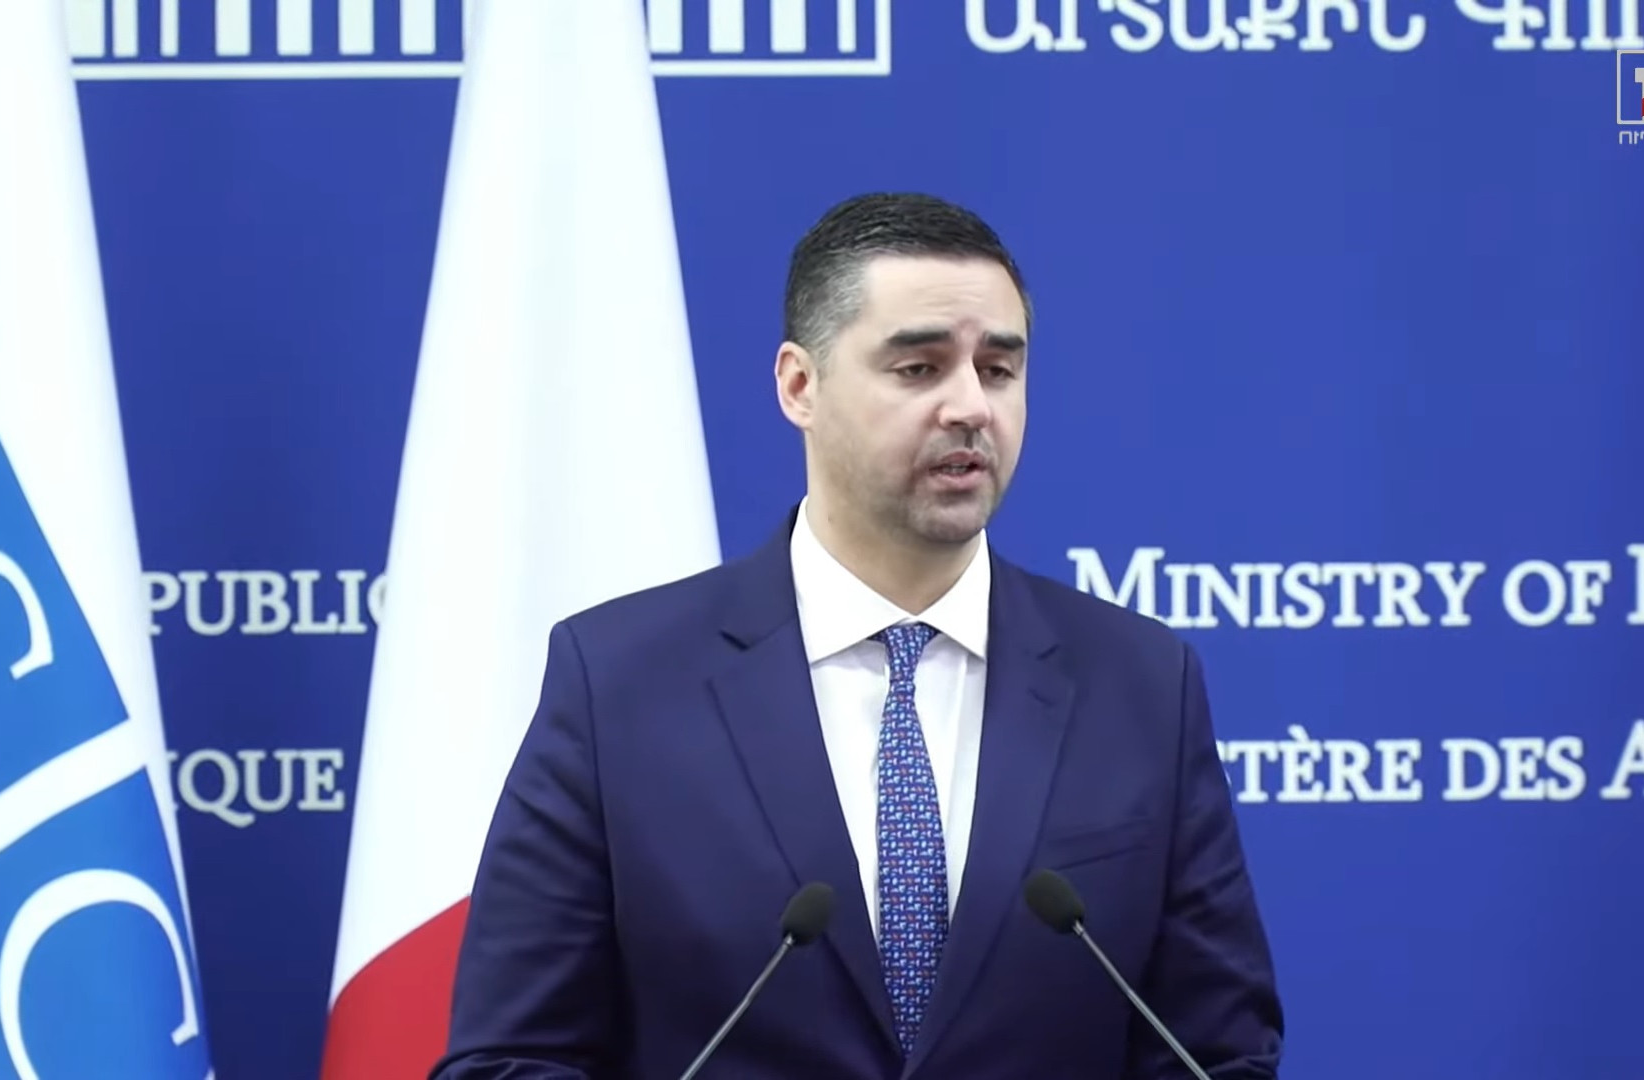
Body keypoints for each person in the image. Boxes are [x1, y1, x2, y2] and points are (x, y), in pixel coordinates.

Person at [430, 193, 1284, 1079]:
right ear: (800, 386)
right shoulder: (620, 685)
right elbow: (511, 1057)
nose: (970, 407)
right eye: (919, 368)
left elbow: (1216, 1053)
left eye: (998, 369)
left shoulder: (1140, 684)